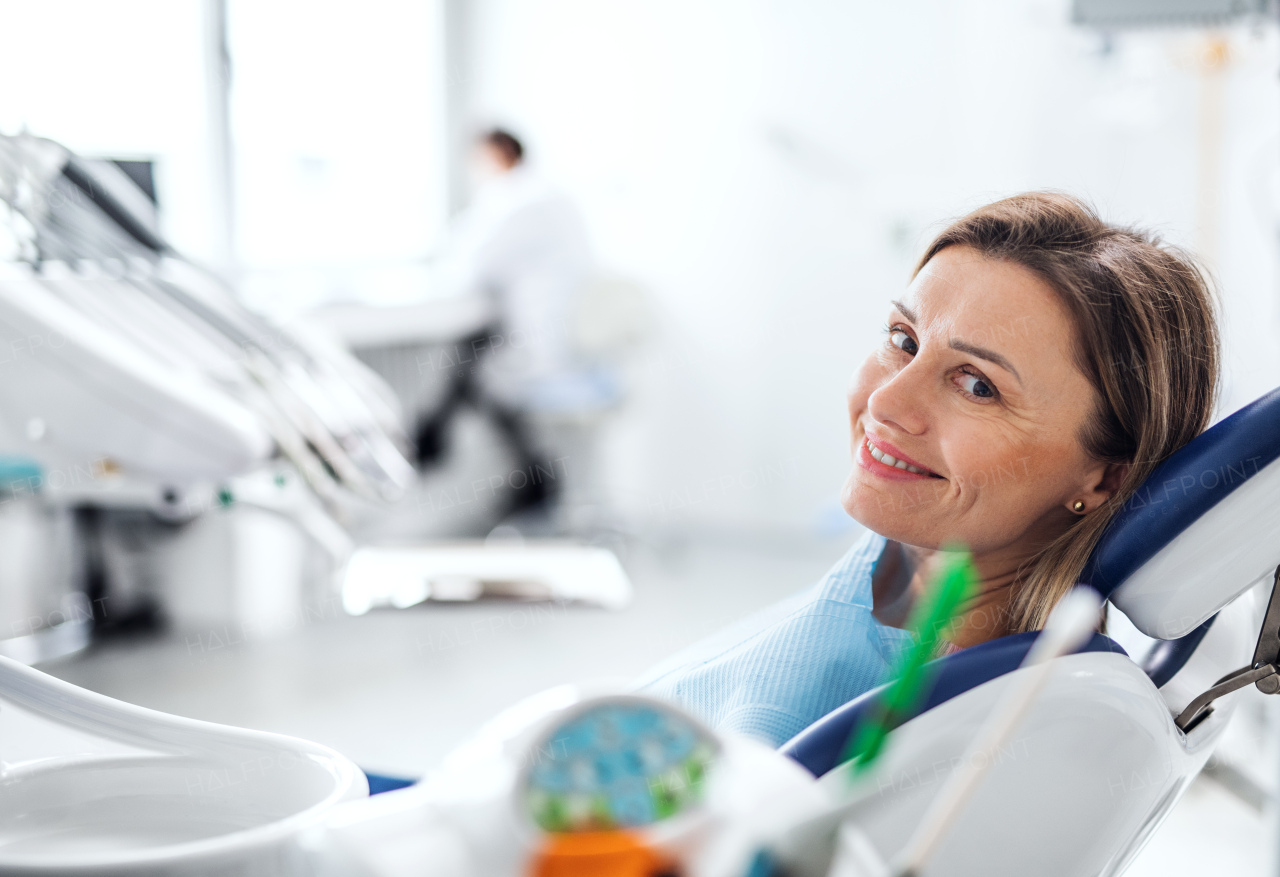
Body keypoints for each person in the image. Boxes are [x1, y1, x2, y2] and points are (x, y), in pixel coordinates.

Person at [634, 192, 1221, 747]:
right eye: (903, 339)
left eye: (977, 386)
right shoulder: (906, 567)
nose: (886, 402)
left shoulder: (842, 727)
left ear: (1104, 480)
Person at [417, 129, 593, 518]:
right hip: (552, 332)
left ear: (498, 153)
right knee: (471, 359)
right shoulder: (545, 195)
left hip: (543, 342)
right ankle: (528, 475)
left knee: (475, 369)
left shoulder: (519, 200)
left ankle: (435, 440)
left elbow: (471, 266)